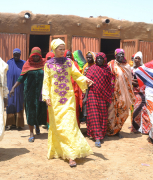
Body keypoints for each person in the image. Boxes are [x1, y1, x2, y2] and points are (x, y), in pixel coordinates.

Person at [42, 39, 94, 167]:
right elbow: (46, 82)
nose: (62, 51)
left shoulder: (69, 62)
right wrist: (46, 96)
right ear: (54, 50)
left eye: (63, 48)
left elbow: (76, 75)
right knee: (59, 127)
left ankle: (71, 155)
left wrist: (86, 80)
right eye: (60, 49)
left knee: (70, 125)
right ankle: (62, 151)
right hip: (55, 101)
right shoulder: (48, 64)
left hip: (68, 98)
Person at [10, 47, 47, 142]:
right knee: (30, 112)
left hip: (41, 92)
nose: (35, 58)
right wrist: (13, 88)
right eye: (33, 56)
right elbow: (21, 78)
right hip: (29, 93)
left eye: (37, 56)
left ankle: (37, 125)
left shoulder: (44, 64)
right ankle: (31, 133)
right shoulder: (27, 64)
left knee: (39, 111)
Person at [86, 52, 114, 147]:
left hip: (104, 96)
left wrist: (108, 97)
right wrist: (85, 97)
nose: (99, 60)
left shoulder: (107, 69)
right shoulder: (92, 68)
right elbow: (87, 82)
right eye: (97, 59)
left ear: (104, 60)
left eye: (101, 59)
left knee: (102, 115)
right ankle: (97, 137)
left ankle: (101, 133)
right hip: (93, 94)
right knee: (94, 115)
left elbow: (109, 85)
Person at [107, 49, 135, 138]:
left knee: (123, 112)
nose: (121, 56)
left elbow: (129, 82)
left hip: (124, 94)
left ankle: (117, 129)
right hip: (113, 93)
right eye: (119, 54)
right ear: (115, 55)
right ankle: (111, 130)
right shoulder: (111, 65)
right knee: (111, 112)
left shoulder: (127, 66)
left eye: (122, 54)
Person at [5, 48, 25, 130]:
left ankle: (19, 124)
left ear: (20, 55)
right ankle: (10, 124)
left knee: (19, 104)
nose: (16, 56)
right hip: (10, 87)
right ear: (13, 55)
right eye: (15, 55)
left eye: (17, 55)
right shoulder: (9, 62)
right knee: (10, 104)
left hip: (20, 88)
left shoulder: (24, 63)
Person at [131, 51, 150, 134]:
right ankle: (135, 128)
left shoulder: (144, 69)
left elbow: (144, 81)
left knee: (145, 111)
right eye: (136, 58)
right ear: (134, 59)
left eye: (139, 58)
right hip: (133, 92)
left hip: (142, 92)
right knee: (135, 111)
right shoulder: (131, 69)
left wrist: (135, 81)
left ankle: (146, 129)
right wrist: (136, 81)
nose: (137, 60)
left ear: (141, 59)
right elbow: (130, 80)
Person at [64, 50, 83, 127]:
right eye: (67, 55)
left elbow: (78, 76)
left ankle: (76, 127)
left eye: (69, 55)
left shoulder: (75, 64)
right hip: (64, 91)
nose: (68, 57)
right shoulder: (62, 64)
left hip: (74, 91)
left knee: (74, 110)